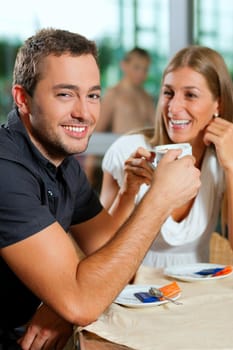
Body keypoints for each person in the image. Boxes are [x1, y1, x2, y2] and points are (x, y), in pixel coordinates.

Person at [0, 28, 200, 350]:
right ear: (23, 99)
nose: (84, 112)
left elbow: (111, 257)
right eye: (65, 94)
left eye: (92, 95)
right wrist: (160, 199)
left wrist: (129, 193)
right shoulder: (6, 170)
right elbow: (83, 302)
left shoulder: (62, 163)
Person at [100, 45, 233, 268]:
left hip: (196, 294)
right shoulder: (127, 151)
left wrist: (231, 166)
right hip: (134, 294)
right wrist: (129, 192)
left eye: (190, 95)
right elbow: (99, 249)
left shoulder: (220, 159)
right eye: (168, 93)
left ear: (217, 103)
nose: (174, 106)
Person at [83, 47, 156, 190]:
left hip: (142, 162)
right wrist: (88, 177)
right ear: (124, 65)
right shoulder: (114, 95)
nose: (141, 73)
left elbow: (157, 130)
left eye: (145, 69)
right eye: (137, 67)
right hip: (121, 163)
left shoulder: (146, 97)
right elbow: (96, 134)